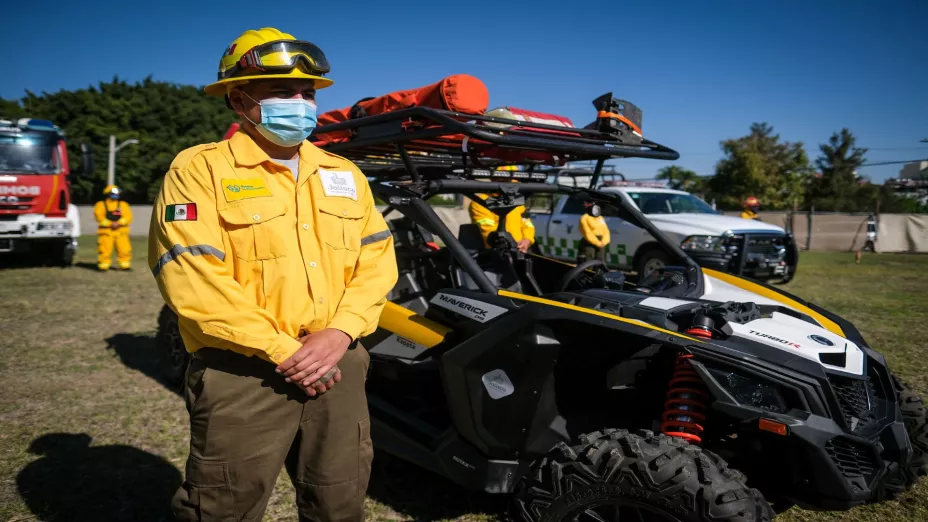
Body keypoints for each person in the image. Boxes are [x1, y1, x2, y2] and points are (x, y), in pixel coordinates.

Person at [148, 27, 398, 522]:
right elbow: (190, 273)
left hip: (338, 363)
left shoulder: (344, 173)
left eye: (307, 93)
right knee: (222, 507)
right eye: (283, 92)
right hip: (244, 371)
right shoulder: (199, 169)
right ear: (240, 100)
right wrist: (285, 350)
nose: (300, 104)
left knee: (339, 500)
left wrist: (340, 332)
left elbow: (377, 261)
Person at [468, 172, 535, 253]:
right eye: (506, 180)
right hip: (492, 252)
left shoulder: (517, 202)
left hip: (519, 251)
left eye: (512, 179)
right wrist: (506, 244)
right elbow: (487, 230)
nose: (511, 183)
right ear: (493, 179)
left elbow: (527, 224)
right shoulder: (480, 202)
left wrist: (527, 239)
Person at [93, 185, 133, 271]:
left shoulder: (123, 205)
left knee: (124, 249)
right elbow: (99, 217)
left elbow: (128, 217)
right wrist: (110, 224)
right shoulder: (100, 205)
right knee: (104, 249)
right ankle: (103, 265)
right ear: (108, 193)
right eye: (114, 193)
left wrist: (119, 223)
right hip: (106, 232)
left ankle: (125, 265)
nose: (116, 195)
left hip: (121, 231)